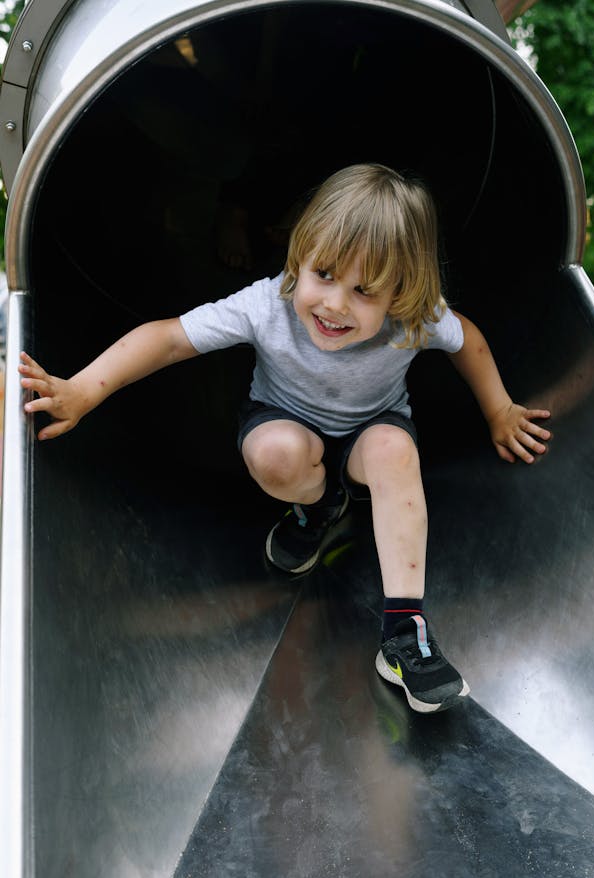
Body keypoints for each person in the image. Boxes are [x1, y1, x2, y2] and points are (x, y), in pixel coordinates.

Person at [19, 163, 551, 714]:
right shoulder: (266, 303)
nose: (335, 304)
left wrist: (499, 410)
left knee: (395, 453)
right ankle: (319, 508)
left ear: (400, 291)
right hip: (286, 422)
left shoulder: (413, 316)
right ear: (298, 257)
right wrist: (81, 390)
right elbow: (169, 339)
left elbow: (469, 341)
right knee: (275, 455)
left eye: (364, 291)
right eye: (323, 274)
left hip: (371, 430)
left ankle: (403, 632)